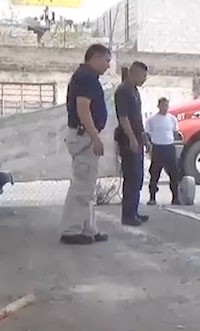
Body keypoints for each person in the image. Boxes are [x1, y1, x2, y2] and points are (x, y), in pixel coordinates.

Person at [59, 43, 111, 245]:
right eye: (106, 60)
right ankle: (71, 230)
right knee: (82, 186)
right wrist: (95, 137)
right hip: (84, 136)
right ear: (95, 57)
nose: (108, 66)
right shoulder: (86, 78)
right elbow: (83, 110)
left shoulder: (86, 77)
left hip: (85, 135)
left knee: (87, 185)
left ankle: (89, 228)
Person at [114, 61, 150, 225]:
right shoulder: (123, 91)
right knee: (131, 176)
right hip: (128, 140)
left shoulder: (134, 91)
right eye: (143, 76)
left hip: (137, 138)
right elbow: (123, 117)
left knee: (138, 177)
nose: (144, 79)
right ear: (134, 73)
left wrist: (143, 137)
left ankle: (133, 211)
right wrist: (131, 138)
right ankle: (127, 215)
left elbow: (137, 117)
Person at [145, 97, 180, 205]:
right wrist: (148, 146)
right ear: (158, 106)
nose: (165, 108)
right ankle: (152, 198)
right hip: (157, 148)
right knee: (155, 173)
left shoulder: (172, 119)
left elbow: (175, 132)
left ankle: (175, 198)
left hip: (169, 147)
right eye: (163, 105)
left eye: (166, 105)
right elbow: (146, 134)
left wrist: (172, 142)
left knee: (174, 174)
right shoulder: (151, 120)